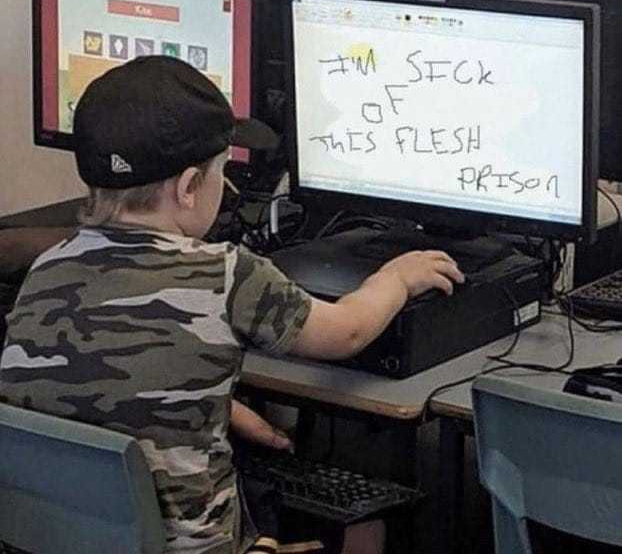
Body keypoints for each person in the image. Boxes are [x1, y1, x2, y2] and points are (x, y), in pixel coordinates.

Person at [0, 56, 464, 554]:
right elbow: (345, 333)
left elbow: (105, 392)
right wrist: (396, 277)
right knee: (369, 527)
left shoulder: (47, 267)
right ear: (188, 187)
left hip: (51, 542)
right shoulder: (226, 274)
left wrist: (216, 402)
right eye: (222, 172)